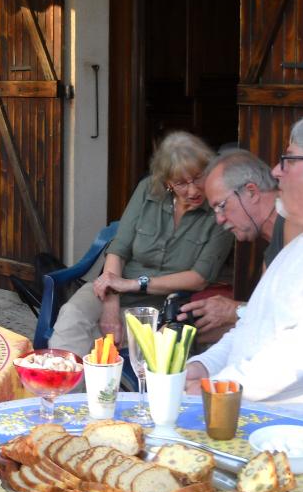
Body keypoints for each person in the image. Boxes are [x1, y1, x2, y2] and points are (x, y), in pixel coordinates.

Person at [185, 117, 303, 415]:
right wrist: (202, 366)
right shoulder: (299, 245)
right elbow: (251, 326)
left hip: (291, 428)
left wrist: (220, 385)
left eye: (289, 160)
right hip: (246, 410)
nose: (275, 171)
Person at [48, 132, 234, 357]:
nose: (193, 190)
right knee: (72, 315)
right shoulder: (148, 190)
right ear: (167, 182)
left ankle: (81, 376)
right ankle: (58, 378)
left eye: (197, 178)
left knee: (98, 339)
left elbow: (199, 277)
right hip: (112, 289)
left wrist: (134, 284)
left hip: (160, 304)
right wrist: (111, 305)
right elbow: (119, 249)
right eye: (181, 183)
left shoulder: (220, 210)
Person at [176, 150, 302, 339]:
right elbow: (261, 321)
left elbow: (298, 320)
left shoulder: (299, 226)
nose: (219, 219)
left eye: (221, 206)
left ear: (251, 192)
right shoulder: (275, 240)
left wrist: (234, 310)